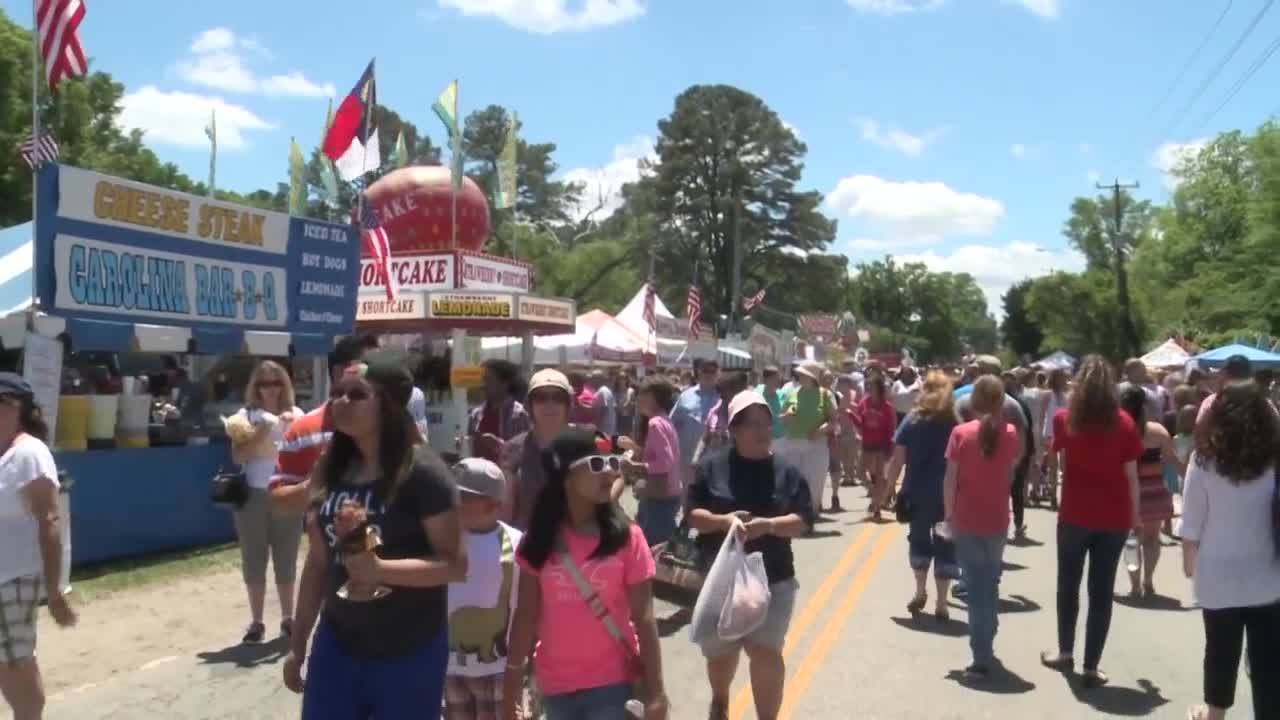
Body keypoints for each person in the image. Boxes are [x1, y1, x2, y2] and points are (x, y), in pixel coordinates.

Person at [284, 356, 467, 719]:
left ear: (389, 406)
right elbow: (318, 562)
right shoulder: (330, 468)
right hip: (338, 643)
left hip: (408, 649)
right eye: (338, 391)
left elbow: (455, 566)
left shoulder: (424, 473)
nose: (341, 401)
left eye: (357, 394)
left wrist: (380, 570)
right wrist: (298, 641)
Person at [501, 428, 668, 720]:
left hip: (613, 683)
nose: (609, 472)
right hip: (555, 687)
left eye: (613, 463)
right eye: (596, 464)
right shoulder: (538, 540)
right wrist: (512, 684)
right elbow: (526, 614)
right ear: (565, 476)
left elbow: (644, 617)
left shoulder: (628, 537)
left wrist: (656, 692)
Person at [687, 390, 815, 720]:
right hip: (720, 577)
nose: (762, 431)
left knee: (765, 651)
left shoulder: (786, 472)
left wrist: (768, 525)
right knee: (720, 652)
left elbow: (803, 520)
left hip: (773, 578)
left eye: (766, 423)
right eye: (752, 424)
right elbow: (693, 515)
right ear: (734, 429)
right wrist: (723, 521)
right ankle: (720, 700)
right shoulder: (712, 466)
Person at [1040, 355, 1142, 688]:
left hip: (1075, 513)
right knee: (1101, 591)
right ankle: (1091, 666)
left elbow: (1060, 462)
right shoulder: (1125, 423)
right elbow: (1131, 476)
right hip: (1114, 516)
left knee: (1068, 585)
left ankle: (1065, 651)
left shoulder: (1064, 419)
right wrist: (1136, 515)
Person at [1181, 381, 1280, 720]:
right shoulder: (1274, 460)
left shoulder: (1203, 461)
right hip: (1269, 575)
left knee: (1220, 650)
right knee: (1268, 660)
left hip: (1217, 576)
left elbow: (1191, 525)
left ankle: (1215, 714)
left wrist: (1189, 565)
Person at [0, 374, 75, 720]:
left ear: (19, 408)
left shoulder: (29, 453)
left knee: (18, 677)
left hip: (11, 582)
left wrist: (54, 592)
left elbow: (49, 520)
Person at [943, 376, 1021, 678]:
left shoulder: (960, 433)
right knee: (990, 579)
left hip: (966, 518)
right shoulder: (1010, 433)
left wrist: (948, 516)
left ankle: (982, 654)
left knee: (975, 587)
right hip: (997, 518)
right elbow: (1010, 473)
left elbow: (950, 479)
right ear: (1002, 402)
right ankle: (989, 628)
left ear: (973, 402)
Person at [229, 360, 304, 644]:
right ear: (255, 387)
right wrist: (262, 429)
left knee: (286, 556)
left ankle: (287, 618)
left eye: (276, 383)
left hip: (287, 492)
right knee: (254, 558)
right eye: (263, 384)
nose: (270, 389)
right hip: (253, 494)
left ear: (284, 385)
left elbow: (305, 454)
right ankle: (257, 622)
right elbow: (238, 456)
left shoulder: (297, 414)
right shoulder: (244, 416)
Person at [445, 458, 523, 720]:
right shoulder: (444, 540)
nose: (454, 502)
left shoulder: (516, 543)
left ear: (492, 503)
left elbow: (526, 606)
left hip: (498, 668)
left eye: (463, 497)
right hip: (451, 667)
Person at [885, 370, 959, 620]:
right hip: (948, 494)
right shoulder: (955, 422)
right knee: (946, 543)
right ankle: (942, 603)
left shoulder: (912, 420)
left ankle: (919, 591)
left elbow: (897, 460)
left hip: (915, 491)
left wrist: (888, 489)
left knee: (918, 540)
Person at [1118, 386, 1182, 598]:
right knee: (1152, 539)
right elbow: (1172, 459)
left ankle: (1135, 585)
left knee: (1132, 540)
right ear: (1145, 407)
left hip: (1127, 492)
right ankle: (1148, 580)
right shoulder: (1158, 431)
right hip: (1155, 491)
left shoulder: (1118, 430)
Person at [620, 378, 683, 546]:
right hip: (668, 493)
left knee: (653, 547)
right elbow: (659, 456)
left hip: (659, 496)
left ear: (655, 397)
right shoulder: (663, 420)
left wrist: (634, 466)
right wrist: (634, 447)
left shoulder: (655, 423)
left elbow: (664, 463)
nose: (638, 398)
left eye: (643, 394)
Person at [777, 362, 836, 517]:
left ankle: (810, 514)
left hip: (816, 444)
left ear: (812, 377)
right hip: (793, 442)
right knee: (794, 482)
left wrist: (820, 431)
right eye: (800, 374)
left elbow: (833, 420)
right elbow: (781, 417)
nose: (800, 376)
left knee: (814, 482)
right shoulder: (792, 393)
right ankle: (795, 515)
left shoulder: (825, 394)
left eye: (803, 374)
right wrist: (787, 416)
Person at [469, 359, 532, 465]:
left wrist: (499, 445)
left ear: (504, 384)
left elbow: (527, 454)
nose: (483, 385)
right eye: (482, 380)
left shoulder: (519, 415)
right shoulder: (475, 415)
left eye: (488, 380)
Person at [671, 359, 721, 488]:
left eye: (712, 371)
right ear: (699, 372)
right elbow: (672, 424)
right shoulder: (685, 396)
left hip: (713, 461)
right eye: (705, 371)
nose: (708, 374)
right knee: (687, 494)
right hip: (686, 461)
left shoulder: (723, 397)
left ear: (718, 374)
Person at [854, 374, 897, 520]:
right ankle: (874, 493)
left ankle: (877, 508)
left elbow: (891, 429)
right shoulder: (864, 403)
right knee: (860, 473)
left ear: (879, 388)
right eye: (868, 386)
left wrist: (891, 447)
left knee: (879, 476)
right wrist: (851, 416)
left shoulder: (887, 407)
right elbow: (860, 423)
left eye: (872, 386)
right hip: (867, 444)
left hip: (881, 446)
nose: (869, 389)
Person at [592, 371, 618, 436]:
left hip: (604, 429)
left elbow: (604, 409)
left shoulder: (603, 391)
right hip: (607, 428)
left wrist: (595, 424)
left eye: (593, 378)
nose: (591, 381)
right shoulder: (605, 390)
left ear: (599, 379)